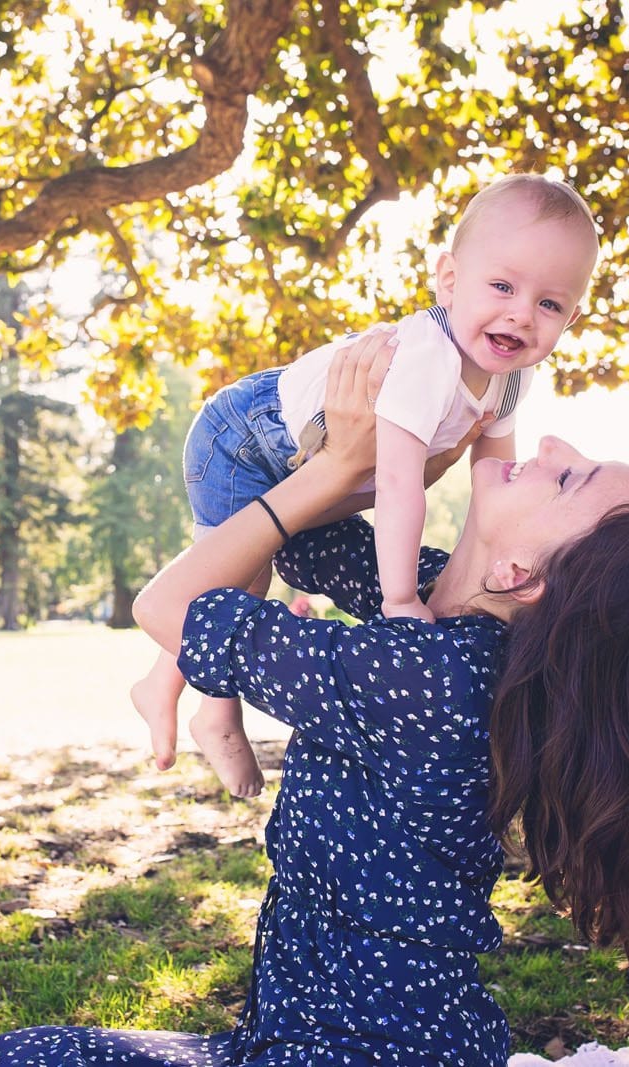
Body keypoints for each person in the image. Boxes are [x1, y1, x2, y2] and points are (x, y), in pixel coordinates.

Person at [0, 329, 629, 1065]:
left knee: (22, 1058)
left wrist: (336, 469)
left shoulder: (429, 675)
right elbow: (292, 536)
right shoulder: (440, 616)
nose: (555, 446)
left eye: (570, 478)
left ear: (522, 574)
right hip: (358, 1036)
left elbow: (166, 605)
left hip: (352, 1050)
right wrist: (369, 441)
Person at [131, 174, 601, 799]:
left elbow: (492, 482)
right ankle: (210, 711)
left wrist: (481, 586)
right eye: (503, 286)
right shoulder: (425, 359)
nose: (522, 313)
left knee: (237, 580)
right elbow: (402, 484)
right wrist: (402, 598)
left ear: (571, 316)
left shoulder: (510, 377)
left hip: (303, 457)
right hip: (246, 434)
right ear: (450, 280)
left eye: (549, 304)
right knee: (230, 580)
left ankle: (168, 685)